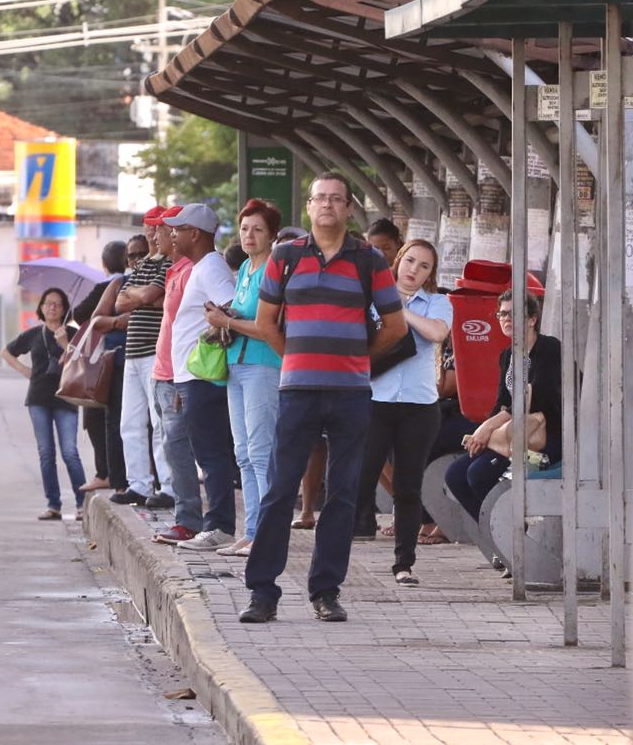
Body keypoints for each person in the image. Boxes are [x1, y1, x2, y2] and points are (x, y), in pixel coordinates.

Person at [240, 173, 407, 625]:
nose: (328, 205)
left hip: (351, 393)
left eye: (337, 199)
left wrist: (355, 359)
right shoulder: (285, 257)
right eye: (320, 198)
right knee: (279, 491)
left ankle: (326, 591)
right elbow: (267, 322)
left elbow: (396, 327)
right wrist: (297, 357)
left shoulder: (369, 260)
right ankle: (262, 593)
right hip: (297, 391)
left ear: (349, 208)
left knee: (343, 494)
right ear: (308, 208)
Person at [353, 240, 452, 586]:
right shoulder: (373, 296)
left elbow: (437, 332)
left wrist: (401, 310)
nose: (414, 270)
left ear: (430, 273)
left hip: (419, 407)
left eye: (423, 266)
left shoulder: (438, 302)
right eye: (410, 261)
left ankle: (404, 563)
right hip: (376, 401)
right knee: (360, 479)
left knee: (408, 487)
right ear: (397, 261)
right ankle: (335, 550)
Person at [204, 199, 281, 557]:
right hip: (236, 364)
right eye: (245, 228)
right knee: (243, 453)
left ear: (272, 235)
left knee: (261, 451)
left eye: (258, 229)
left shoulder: (272, 272)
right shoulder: (246, 271)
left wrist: (228, 322)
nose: (249, 235)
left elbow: (271, 328)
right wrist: (227, 315)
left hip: (264, 365)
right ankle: (252, 530)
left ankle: (266, 531)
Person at [444, 290, 562, 522]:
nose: (506, 319)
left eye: (512, 314)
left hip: (549, 436)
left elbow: (539, 399)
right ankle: (496, 537)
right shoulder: (507, 355)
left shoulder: (549, 348)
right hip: (514, 434)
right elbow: (501, 403)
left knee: (478, 474)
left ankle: (517, 535)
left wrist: (488, 427)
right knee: (455, 475)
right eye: (501, 314)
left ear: (531, 319)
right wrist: (489, 428)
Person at [164, 203, 237, 553]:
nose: (172, 235)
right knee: (206, 451)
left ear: (195, 234)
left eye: (178, 229)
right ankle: (216, 523)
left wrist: (218, 324)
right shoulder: (199, 267)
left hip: (205, 377)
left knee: (212, 453)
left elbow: (233, 305)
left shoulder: (211, 268)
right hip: (191, 378)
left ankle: (220, 526)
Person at [143, 207, 206, 544]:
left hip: (178, 377)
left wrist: (184, 377)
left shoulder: (195, 271)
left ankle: (189, 520)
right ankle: (189, 518)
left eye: (165, 231)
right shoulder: (174, 270)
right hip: (162, 372)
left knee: (180, 449)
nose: (158, 236)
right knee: (172, 448)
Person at [3, 287, 88, 521]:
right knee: (46, 453)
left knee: (70, 452)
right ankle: (54, 505)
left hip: (67, 398)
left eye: (57, 304)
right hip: (38, 398)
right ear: (41, 307)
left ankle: (82, 504)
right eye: (48, 303)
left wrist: (64, 344)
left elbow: (83, 363)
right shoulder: (33, 334)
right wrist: (24, 370)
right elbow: (7, 352)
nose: (52, 307)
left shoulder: (72, 334)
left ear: (64, 309)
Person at [112, 207, 175, 508]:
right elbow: (119, 301)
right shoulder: (143, 264)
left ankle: (169, 486)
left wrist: (142, 297)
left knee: (159, 421)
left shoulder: (169, 263)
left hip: (153, 350)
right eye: (148, 226)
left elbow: (152, 297)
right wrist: (144, 296)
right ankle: (138, 484)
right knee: (130, 423)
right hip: (133, 352)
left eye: (156, 226)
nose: (151, 232)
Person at [71, 241, 128, 492]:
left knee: (99, 416)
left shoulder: (109, 286)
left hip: (107, 360)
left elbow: (81, 314)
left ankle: (106, 472)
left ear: (104, 265)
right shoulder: (130, 283)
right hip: (127, 357)